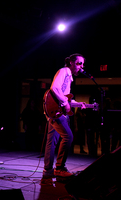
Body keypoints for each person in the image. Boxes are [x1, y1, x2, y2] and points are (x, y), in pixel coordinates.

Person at [42, 53, 86, 182]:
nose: (81, 66)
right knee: (68, 136)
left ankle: (47, 171)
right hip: (55, 111)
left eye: (83, 64)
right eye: (79, 63)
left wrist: (79, 104)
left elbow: (65, 97)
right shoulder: (65, 71)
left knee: (51, 142)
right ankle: (59, 168)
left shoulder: (69, 76)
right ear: (71, 62)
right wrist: (65, 103)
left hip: (55, 111)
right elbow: (54, 88)